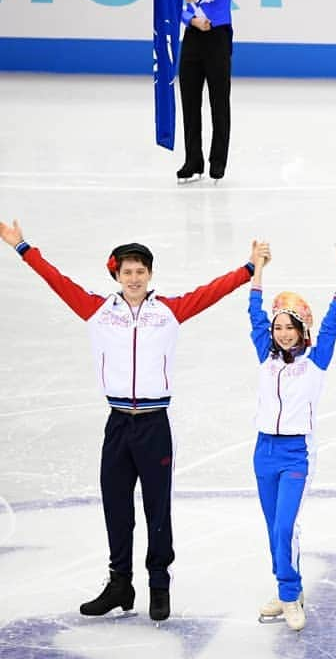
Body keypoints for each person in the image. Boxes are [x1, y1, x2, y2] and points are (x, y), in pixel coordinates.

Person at [0, 218, 260, 622]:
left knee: (158, 508)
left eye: (141, 271)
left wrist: (248, 269)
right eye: (127, 272)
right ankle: (120, 582)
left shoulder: (168, 312)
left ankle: (159, 584)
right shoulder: (99, 311)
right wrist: (22, 247)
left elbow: (211, 292)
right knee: (116, 506)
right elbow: (58, 280)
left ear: (150, 274)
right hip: (118, 425)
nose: (134, 278)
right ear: (117, 275)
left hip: (155, 425)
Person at [249, 245, 336, 632]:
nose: (281, 334)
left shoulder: (316, 359)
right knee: (271, 528)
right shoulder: (266, 356)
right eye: (278, 327)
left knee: (285, 527)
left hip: (296, 453)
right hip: (263, 451)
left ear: (302, 329)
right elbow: (254, 315)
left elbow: (333, 320)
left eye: (289, 327)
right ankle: (285, 591)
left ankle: (291, 593)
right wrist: (258, 268)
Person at [175, 0, 240, 184]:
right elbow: (173, 3)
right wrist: (191, 19)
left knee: (218, 100)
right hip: (192, 36)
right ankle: (193, 160)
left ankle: (218, 161)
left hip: (217, 37)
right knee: (189, 100)